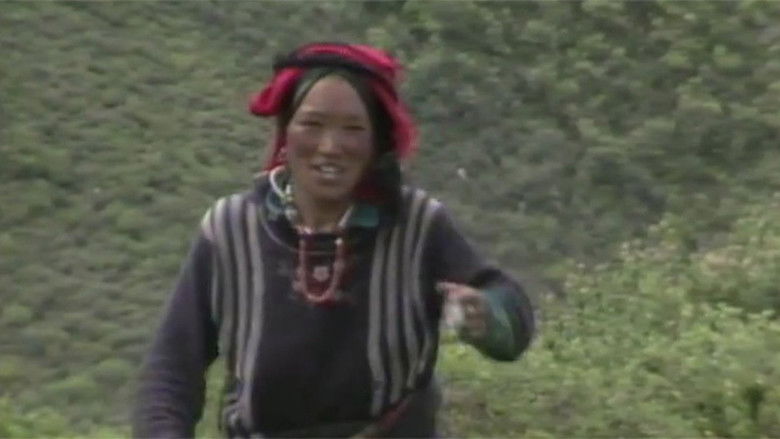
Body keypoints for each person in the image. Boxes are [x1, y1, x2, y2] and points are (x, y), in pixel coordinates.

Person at [132, 42, 535, 439]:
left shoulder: (416, 226)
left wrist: (486, 317)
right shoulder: (230, 229)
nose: (330, 147)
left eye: (353, 129)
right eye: (312, 125)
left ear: (377, 141)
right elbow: (171, 370)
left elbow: (512, 319)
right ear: (285, 133)